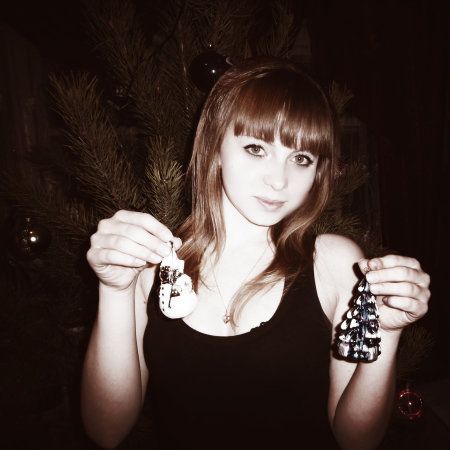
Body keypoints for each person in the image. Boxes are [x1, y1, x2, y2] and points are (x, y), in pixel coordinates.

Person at [81, 57, 430, 450]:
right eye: (256, 148)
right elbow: (106, 431)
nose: (279, 180)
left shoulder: (335, 264)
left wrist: (387, 332)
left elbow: (357, 441)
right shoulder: (150, 263)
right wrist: (114, 289)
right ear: (215, 147)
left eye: (301, 159)